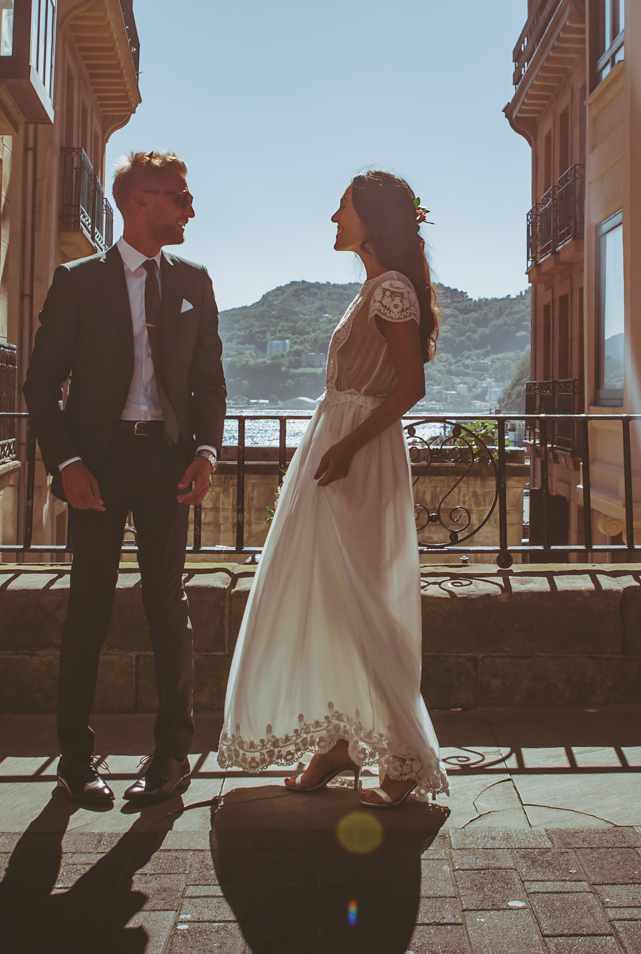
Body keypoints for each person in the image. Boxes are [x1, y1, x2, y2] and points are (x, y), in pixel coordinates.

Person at [217, 171, 448, 808]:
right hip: (339, 452)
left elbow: (409, 388)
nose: (332, 219)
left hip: (360, 459)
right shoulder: (374, 288)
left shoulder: (392, 290)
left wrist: (346, 445)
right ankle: (339, 743)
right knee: (330, 597)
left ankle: (402, 759)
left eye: (342, 208)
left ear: (370, 219)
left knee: (366, 599)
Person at [22, 151, 226, 809]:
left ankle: (171, 757)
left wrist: (205, 451)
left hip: (167, 463)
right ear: (140, 200)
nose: (190, 208)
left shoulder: (195, 281)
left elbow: (209, 384)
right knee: (89, 610)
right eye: (179, 197)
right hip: (98, 467)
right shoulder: (79, 282)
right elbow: (41, 384)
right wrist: (69, 464)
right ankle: (75, 762)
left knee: (169, 610)